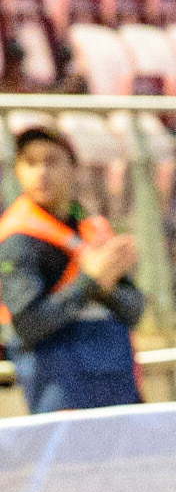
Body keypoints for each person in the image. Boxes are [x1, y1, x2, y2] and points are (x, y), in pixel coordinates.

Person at [0, 126, 142, 412]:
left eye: (51, 161)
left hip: (113, 378)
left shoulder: (92, 229)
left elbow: (133, 309)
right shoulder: (18, 239)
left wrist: (105, 286)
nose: (41, 172)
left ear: (73, 167)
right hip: (60, 387)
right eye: (30, 162)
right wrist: (88, 281)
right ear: (17, 171)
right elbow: (28, 324)